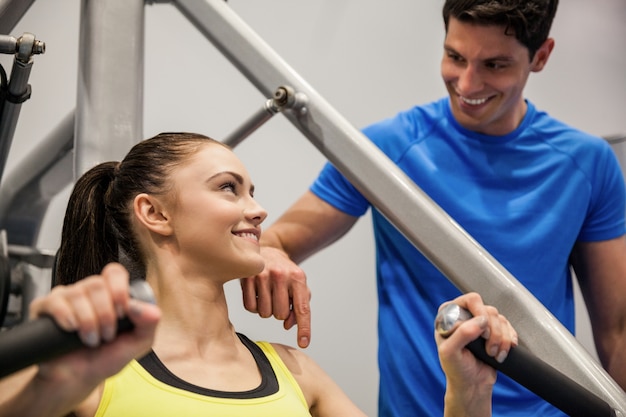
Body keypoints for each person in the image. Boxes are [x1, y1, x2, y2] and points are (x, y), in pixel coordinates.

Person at [241, 1, 626, 416]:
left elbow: (617, 331)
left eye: (495, 65)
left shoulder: (587, 163)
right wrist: (270, 254)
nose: (467, 82)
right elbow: (276, 241)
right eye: (455, 57)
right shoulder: (384, 152)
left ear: (542, 56)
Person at [0, 132, 518, 416]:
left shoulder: (293, 372)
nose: (258, 210)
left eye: (252, 191)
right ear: (155, 213)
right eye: (229, 188)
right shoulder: (88, 372)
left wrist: (467, 395)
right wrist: (46, 390)